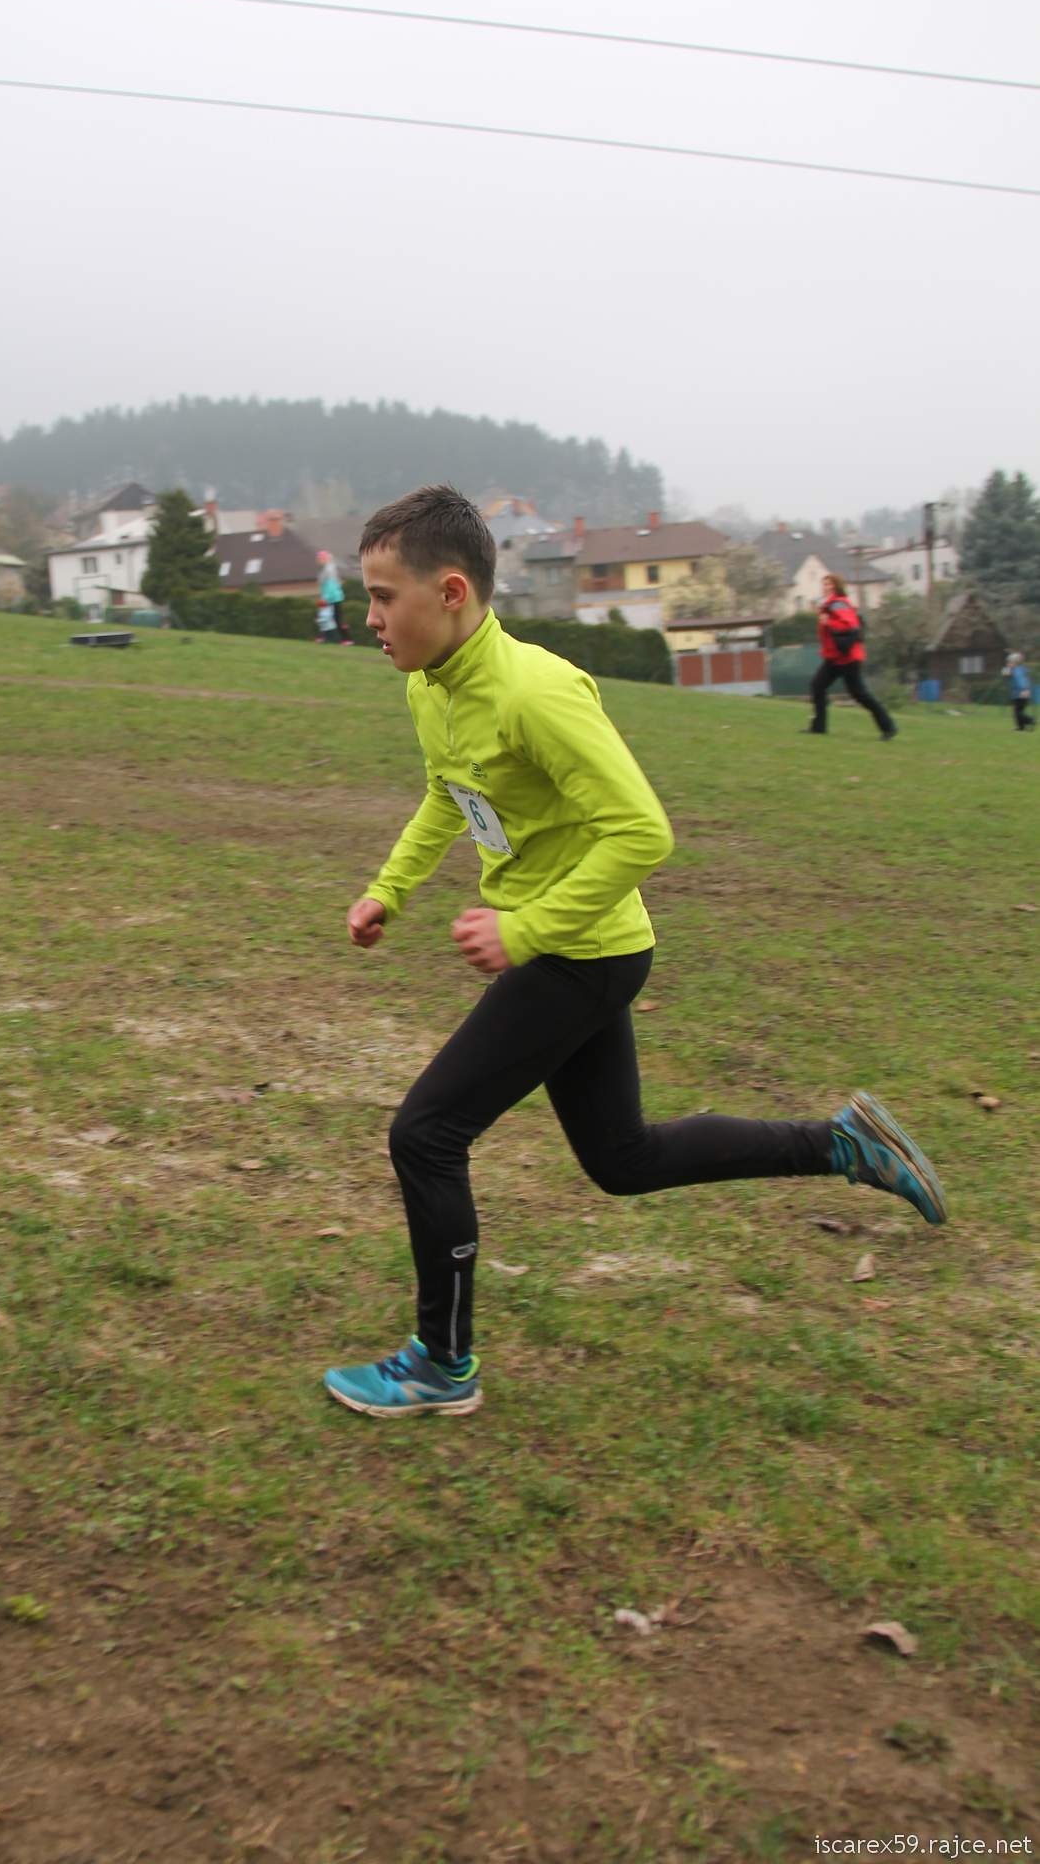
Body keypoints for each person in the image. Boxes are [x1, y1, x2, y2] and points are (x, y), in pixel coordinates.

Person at [324, 486, 945, 1419]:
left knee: (425, 1134)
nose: (368, 618)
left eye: (382, 597)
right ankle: (842, 1142)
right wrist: (389, 889)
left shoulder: (535, 692)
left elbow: (642, 831)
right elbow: (448, 795)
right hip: (573, 952)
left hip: (581, 954)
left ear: (449, 592)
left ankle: (441, 1364)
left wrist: (526, 930)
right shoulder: (431, 686)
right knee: (622, 1158)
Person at [806, 573, 896, 740]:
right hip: (835, 657)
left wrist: (828, 622)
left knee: (859, 694)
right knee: (818, 686)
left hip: (848, 658)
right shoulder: (830, 605)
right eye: (824, 584)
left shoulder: (838, 604)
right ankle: (818, 728)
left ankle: (888, 727)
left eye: (829, 584)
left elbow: (850, 625)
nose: (826, 587)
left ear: (837, 587)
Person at [316, 550, 352, 644]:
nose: (319, 560)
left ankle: (347, 639)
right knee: (326, 618)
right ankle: (324, 637)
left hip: (333, 598)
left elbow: (331, 586)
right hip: (331, 598)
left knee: (332, 618)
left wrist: (325, 599)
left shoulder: (329, 570)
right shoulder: (327, 569)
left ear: (325, 559)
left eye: (321, 558)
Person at [1004, 650, 1035, 731]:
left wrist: (1024, 690)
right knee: (1018, 711)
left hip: (1021, 693)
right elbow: (1005, 673)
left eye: (1010, 662)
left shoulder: (1017, 670)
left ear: (1015, 662)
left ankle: (1031, 720)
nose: (1008, 663)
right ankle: (1020, 727)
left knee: (1017, 712)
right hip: (1018, 693)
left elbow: (1021, 681)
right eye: (1008, 662)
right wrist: (1009, 668)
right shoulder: (1017, 669)